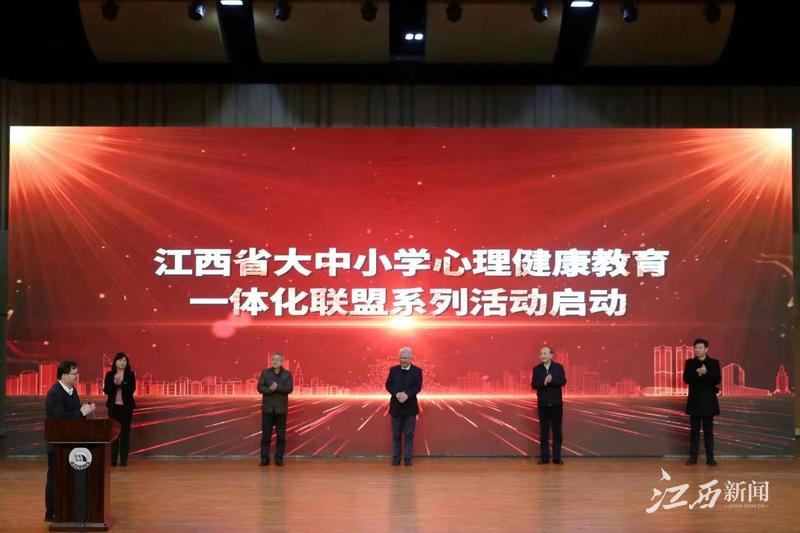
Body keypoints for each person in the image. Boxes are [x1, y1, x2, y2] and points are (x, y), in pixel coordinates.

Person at [44, 360, 96, 522]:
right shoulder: (55, 393)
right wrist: (81, 413)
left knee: (68, 478)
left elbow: (75, 415)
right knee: (55, 478)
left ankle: (67, 509)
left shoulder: (72, 391)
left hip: (71, 441)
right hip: (57, 443)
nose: (77, 377)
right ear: (64, 375)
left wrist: (84, 411)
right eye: (74, 374)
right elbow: (60, 418)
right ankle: (51, 512)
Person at [683, 338, 721, 466]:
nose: (697, 350)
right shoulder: (690, 363)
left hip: (709, 402)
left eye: (700, 348)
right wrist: (698, 374)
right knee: (694, 432)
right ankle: (693, 458)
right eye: (696, 348)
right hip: (695, 402)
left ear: (706, 349)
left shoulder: (714, 363)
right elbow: (686, 379)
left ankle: (710, 458)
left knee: (708, 432)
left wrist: (706, 372)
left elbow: (717, 379)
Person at [385, 346, 423, 466]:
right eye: (401, 358)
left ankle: (408, 459)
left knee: (409, 435)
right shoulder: (393, 370)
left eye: (406, 358)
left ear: (411, 358)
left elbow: (418, 387)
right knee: (396, 435)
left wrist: (407, 395)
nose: (403, 360)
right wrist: (396, 394)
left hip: (410, 408)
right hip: (396, 407)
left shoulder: (417, 371)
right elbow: (388, 385)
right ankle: (396, 459)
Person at [531, 345, 567, 465]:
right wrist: (544, 382)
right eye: (541, 354)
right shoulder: (537, 369)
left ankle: (557, 458)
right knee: (544, 432)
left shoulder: (558, 367)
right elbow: (534, 385)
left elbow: (563, 381)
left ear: (551, 355)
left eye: (545, 353)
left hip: (556, 405)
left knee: (557, 432)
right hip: (543, 405)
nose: (543, 356)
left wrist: (552, 381)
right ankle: (544, 458)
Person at [257, 352, 293, 466]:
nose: (275, 361)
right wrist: (269, 389)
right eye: (273, 359)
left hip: (281, 410)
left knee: (281, 436)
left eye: (277, 359)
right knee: (266, 436)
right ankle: (264, 459)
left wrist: (277, 387)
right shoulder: (265, 373)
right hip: (267, 409)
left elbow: (289, 389)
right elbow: (260, 387)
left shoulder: (287, 374)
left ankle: (279, 459)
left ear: (282, 361)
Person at [103, 352, 137, 467]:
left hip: (126, 408)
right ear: (115, 362)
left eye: (125, 361)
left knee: (125, 434)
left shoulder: (130, 374)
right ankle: (113, 460)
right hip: (114, 408)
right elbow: (106, 390)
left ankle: (123, 460)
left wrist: (121, 384)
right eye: (120, 360)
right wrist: (115, 384)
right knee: (114, 435)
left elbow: (131, 389)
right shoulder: (109, 374)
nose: (123, 363)